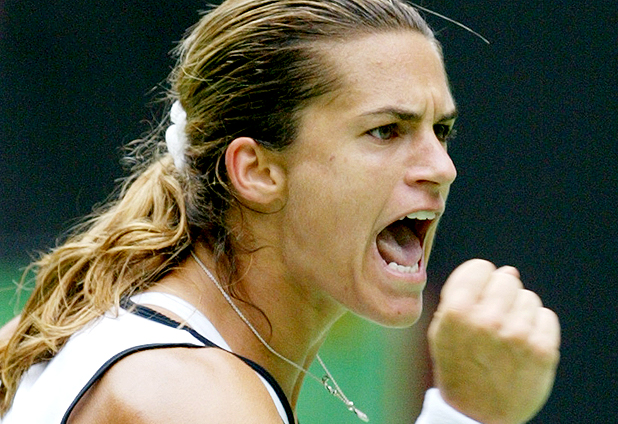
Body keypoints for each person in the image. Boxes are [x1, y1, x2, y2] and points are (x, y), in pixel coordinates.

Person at [0, 0, 560, 423]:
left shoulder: (118, 341)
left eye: (441, 130)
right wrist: (467, 412)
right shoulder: (190, 396)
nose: (441, 166)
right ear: (257, 171)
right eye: (386, 130)